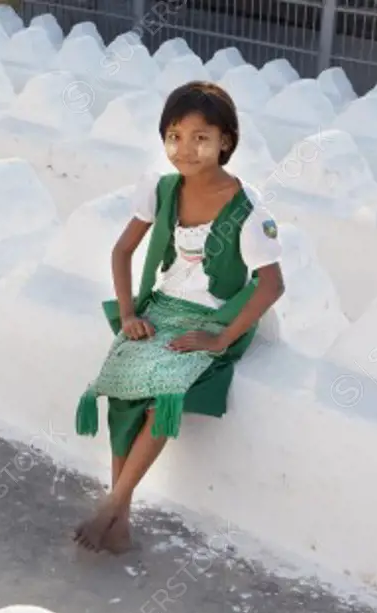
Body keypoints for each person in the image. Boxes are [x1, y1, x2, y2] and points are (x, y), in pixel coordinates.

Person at [73, 80, 285, 554]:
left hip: (210, 319)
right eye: (174, 136)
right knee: (123, 389)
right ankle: (121, 520)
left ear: (226, 141)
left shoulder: (247, 207)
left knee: (162, 393)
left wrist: (221, 338)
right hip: (159, 309)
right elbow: (122, 250)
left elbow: (271, 284)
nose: (185, 149)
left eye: (200, 137)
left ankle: (112, 505)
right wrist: (128, 313)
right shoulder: (162, 189)